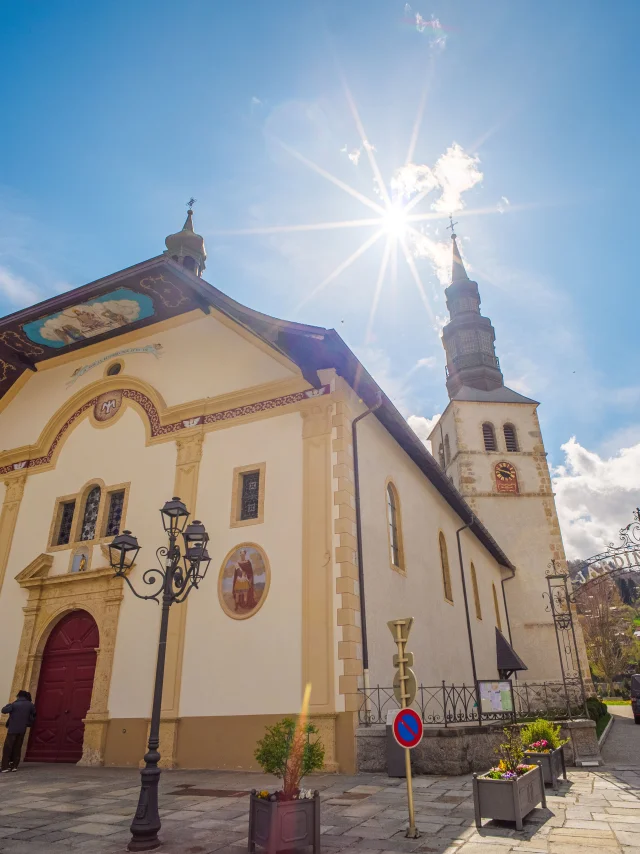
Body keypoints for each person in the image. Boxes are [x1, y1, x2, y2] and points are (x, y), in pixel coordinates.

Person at [1, 691, 36, 773]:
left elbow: (4, 710)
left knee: (8, 747)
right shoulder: (30, 705)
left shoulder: (14, 704)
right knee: (17, 747)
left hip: (12, 729)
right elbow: (34, 715)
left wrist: (8, 705)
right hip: (22, 729)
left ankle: (5, 766)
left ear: (19, 696)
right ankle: (14, 766)